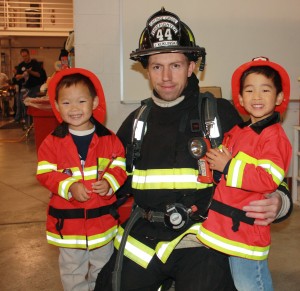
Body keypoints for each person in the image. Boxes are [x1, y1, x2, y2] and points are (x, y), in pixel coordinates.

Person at [95, 8, 292, 291]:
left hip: (203, 237)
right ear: (146, 70)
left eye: (175, 65)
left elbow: (264, 164)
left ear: (190, 67)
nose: (165, 76)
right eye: (156, 66)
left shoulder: (219, 114)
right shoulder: (137, 121)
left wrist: (280, 201)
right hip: (144, 238)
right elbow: (114, 179)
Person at [197, 57, 292, 290]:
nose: (256, 96)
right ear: (240, 98)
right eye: (249, 90)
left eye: (265, 90)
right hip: (229, 227)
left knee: (251, 284)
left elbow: (268, 179)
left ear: (279, 98)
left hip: (247, 231)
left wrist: (228, 166)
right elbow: (225, 167)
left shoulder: (274, 136)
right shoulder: (239, 131)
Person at [36, 68, 127, 291]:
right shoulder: (52, 142)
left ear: (94, 102)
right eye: (66, 103)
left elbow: (120, 165)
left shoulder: (109, 139)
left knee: (103, 268)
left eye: (81, 101)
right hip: (68, 225)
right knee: (72, 270)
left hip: (102, 223)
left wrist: (109, 183)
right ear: (56, 106)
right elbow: (45, 173)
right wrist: (69, 186)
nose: (74, 109)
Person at [13, 48, 44, 125]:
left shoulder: (35, 63)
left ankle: (35, 122)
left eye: (26, 56)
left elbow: (38, 74)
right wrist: (23, 75)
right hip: (25, 88)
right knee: (24, 105)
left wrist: (30, 72)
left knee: (34, 105)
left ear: (29, 55)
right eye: (23, 56)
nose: (25, 58)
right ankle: (27, 123)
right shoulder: (21, 65)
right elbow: (16, 76)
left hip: (35, 87)